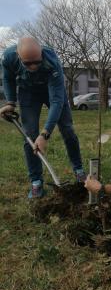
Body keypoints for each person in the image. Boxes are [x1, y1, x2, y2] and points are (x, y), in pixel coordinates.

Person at [0, 37, 85, 198]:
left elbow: (56, 101)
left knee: (67, 129)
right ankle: (36, 182)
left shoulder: (52, 62)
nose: (33, 67)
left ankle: (79, 171)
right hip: (28, 92)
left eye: (37, 62)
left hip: (51, 90)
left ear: (41, 54)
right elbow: (8, 78)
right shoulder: (8, 58)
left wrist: (45, 134)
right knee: (30, 136)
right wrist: (10, 102)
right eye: (27, 63)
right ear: (18, 56)